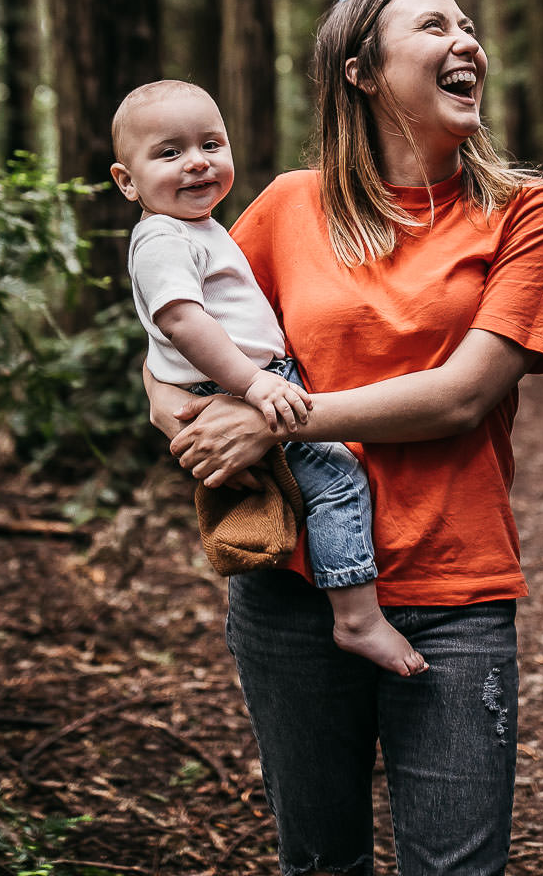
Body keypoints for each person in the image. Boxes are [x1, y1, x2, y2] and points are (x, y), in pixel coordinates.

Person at [147, 0, 543, 875]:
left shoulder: (529, 214)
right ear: (364, 75)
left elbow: (463, 395)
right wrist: (167, 399)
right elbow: (184, 329)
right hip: (289, 592)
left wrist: (276, 425)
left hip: (454, 591)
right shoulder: (288, 205)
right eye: (433, 26)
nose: (467, 41)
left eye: (469, 23)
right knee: (318, 861)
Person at [111, 78, 427, 676]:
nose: (198, 162)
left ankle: (277, 556)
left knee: (282, 493)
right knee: (337, 478)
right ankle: (356, 616)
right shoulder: (161, 238)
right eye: (169, 152)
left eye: (211, 143)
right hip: (240, 385)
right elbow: (180, 321)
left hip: (250, 379)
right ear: (127, 181)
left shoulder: (199, 230)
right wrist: (254, 387)